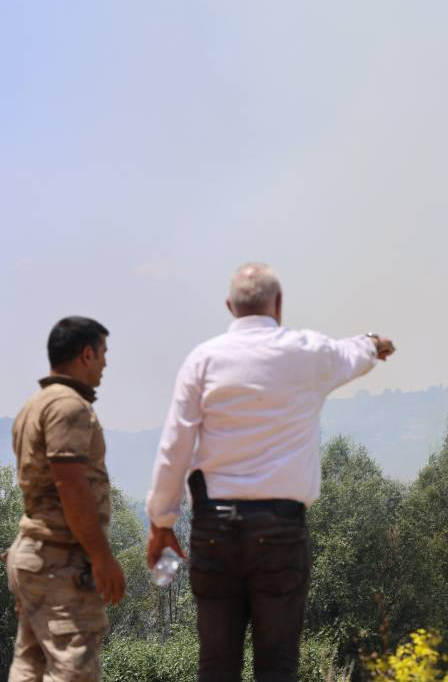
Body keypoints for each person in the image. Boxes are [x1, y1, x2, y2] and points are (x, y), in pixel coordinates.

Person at [145, 263, 395, 682]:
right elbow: (355, 352)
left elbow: (175, 448)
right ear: (278, 304)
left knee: (216, 664)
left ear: (230, 306)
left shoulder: (202, 360)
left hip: (213, 530)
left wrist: (161, 524)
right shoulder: (306, 352)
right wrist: (375, 341)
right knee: (278, 665)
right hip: (281, 531)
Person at [5, 317, 126, 682]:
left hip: (33, 557)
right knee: (74, 670)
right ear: (86, 354)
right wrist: (101, 557)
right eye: (103, 354)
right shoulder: (69, 407)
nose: (105, 364)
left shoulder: (33, 406)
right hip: (61, 562)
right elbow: (70, 485)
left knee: (31, 665)